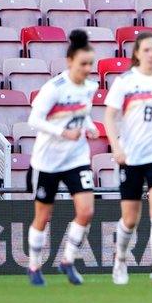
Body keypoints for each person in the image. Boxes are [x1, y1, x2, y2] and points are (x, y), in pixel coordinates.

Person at [104, 32, 152, 285]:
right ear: (137, 53)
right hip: (131, 156)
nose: (151, 54)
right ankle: (120, 259)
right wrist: (116, 147)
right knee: (130, 219)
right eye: (146, 50)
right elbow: (109, 117)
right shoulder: (125, 82)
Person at [26, 30, 99, 286]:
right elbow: (33, 120)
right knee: (43, 217)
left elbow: (81, 113)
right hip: (48, 161)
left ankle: (67, 260)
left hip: (76, 158)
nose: (87, 69)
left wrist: (89, 125)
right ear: (69, 62)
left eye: (90, 64)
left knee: (86, 211)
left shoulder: (91, 86)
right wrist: (62, 132)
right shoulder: (53, 88)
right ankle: (34, 265)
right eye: (83, 64)